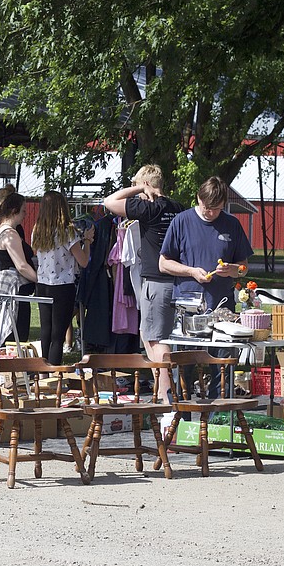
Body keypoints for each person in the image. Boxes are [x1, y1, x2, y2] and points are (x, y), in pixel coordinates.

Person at [159, 176, 253, 400]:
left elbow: (244, 268)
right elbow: (163, 263)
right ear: (198, 199)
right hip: (189, 310)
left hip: (223, 312)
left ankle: (216, 423)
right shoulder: (181, 221)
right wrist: (191, 271)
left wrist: (233, 270)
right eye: (207, 208)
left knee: (222, 369)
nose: (212, 213)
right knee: (184, 369)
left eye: (217, 209)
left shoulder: (232, 224)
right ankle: (181, 424)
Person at [103, 164, 187, 401]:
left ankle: (165, 392)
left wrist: (139, 188)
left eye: (138, 185)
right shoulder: (178, 208)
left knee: (155, 337)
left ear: (147, 185)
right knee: (149, 333)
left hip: (155, 280)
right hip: (177, 279)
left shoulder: (147, 207)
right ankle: (163, 388)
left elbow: (109, 202)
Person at [30, 191, 92, 364]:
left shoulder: (37, 230)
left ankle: (42, 372)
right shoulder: (68, 232)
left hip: (42, 284)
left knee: (46, 331)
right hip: (63, 285)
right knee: (58, 335)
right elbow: (84, 261)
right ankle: (53, 371)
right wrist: (87, 241)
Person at [0, 193, 38, 343]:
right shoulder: (9, 234)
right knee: (15, 335)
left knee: (15, 334)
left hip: (16, 290)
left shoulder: (6, 231)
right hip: (14, 290)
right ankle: (12, 365)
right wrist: (42, 280)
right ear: (14, 211)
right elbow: (22, 266)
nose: (25, 214)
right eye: (23, 210)